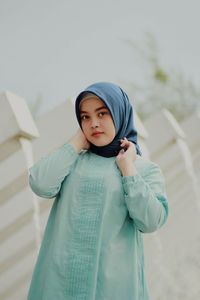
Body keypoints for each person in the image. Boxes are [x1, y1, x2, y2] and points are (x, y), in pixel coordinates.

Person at [27, 82, 168, 300]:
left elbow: (151, 221)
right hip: (60, 281)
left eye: (102, 113)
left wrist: (128, 170)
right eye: (85, 117)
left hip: (112, 286)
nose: (93, 124)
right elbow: (40, 183)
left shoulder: (143, 169)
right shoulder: (72, 161)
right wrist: (75, 143)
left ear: (119, 113)